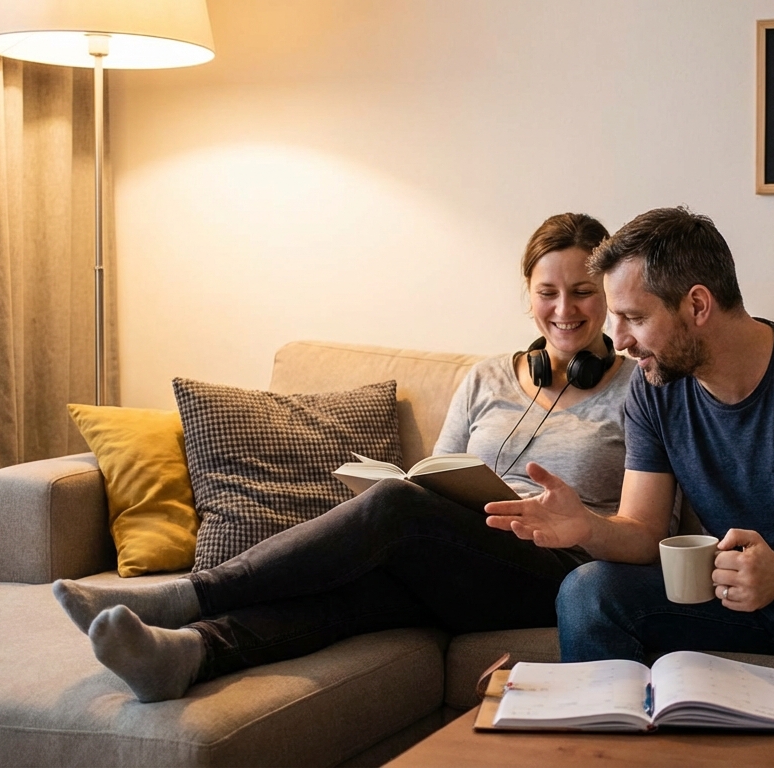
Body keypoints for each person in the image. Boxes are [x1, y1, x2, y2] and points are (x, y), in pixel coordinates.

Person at [52, 212, 636, 703]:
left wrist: (579, 523)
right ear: (527, 295)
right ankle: (187, 653)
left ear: (607, 293)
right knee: (365, 588)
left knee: (395, 508)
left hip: (555, 573)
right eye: (547, 292)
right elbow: (439, 475)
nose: (565, 309)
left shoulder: (639, 390)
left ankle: (186, 595)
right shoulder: (485, 377)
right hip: (460, 562)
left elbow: (645, 524)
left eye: (583, 291)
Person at [484, 207, 774, 715]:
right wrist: (586, 526)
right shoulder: (655, 389)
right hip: (728, 601)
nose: (619, 340)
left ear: (697, 304)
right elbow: (642, 529)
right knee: (589, 590)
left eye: (634, 317)